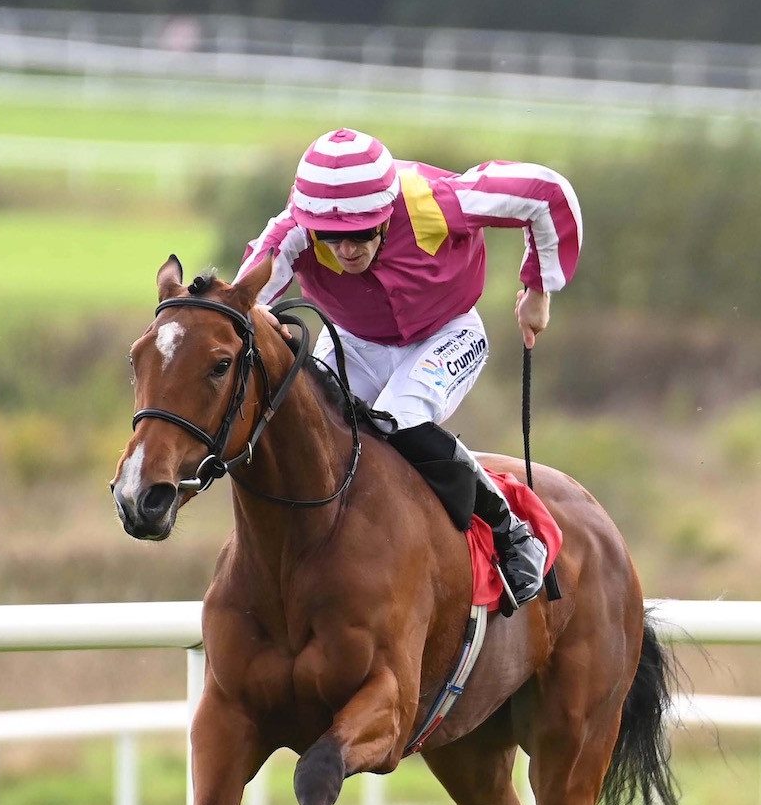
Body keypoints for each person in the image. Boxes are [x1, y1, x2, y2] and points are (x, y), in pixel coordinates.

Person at [236, 128, 582, 612]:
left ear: (387, 214)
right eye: (331, 239)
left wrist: (539, 290)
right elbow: (235, 304)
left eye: (360, 235)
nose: (346, 251)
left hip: (446, 332)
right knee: (305, 424)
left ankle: (509, 532)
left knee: (397, 417)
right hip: (354, 341)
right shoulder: (295, 229)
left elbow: (548, 195)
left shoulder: (434, 201)